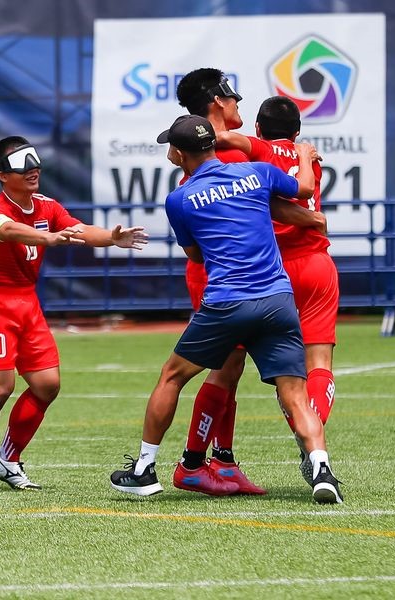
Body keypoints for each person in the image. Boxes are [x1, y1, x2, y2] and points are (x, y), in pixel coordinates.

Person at [110, 115, 342, 504]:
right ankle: (321, 469)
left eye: (170, 146)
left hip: (226, 303)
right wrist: (303, 155)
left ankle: (144, 469)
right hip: (277, 299)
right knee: (295, 392)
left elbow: (195, 255)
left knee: (171, 377)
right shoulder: (257, 172)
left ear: (179, 154)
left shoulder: (179, 199)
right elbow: (303, 189)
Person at [0, 136, 148, 492]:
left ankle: (7, 458)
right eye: (22, 166)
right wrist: (47, 238)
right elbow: (7, 230)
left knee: (47, 385)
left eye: (35, 163)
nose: (33, 170)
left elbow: (79, 229)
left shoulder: (47, 206)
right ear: (2, 176)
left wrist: (112, 237)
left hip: (27, 303)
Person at [171, 69, 326, 496]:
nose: (238, 102)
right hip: (222, 272)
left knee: (231, 368)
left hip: (228, 271)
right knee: (223, 369)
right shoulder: (226, 152)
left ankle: (221, 461)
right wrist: (310, 218)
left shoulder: (210, 146)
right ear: (217, 102)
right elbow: (268, 204)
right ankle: (194, 462)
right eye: (232, 96)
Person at [216, 95, 338, 484]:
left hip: (270, 271)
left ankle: (306, 444)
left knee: (283, 373)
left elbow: (222, 138)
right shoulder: (310, 159)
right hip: (317, 265)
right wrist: (303, 152)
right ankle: (315, 450)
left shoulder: (260, 150)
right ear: (297, 132)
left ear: (257, 128)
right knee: (320, 364)